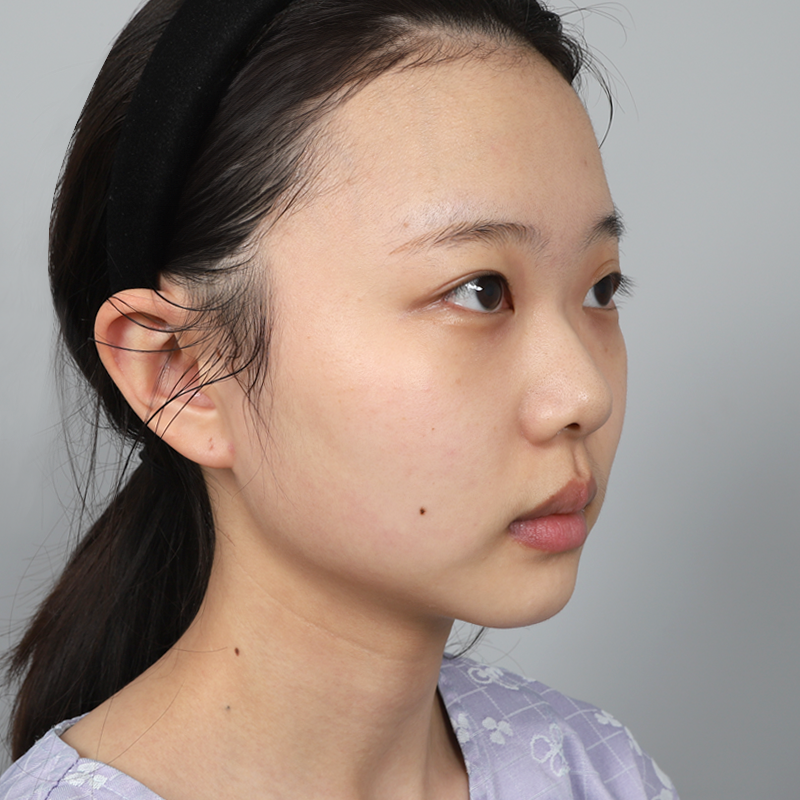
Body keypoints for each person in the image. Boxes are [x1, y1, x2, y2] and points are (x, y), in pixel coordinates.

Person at [0, 0, 678, 798]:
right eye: (479, 290)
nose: (584, 394)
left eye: (601, 288)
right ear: (182, 372)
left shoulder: (590, 770)